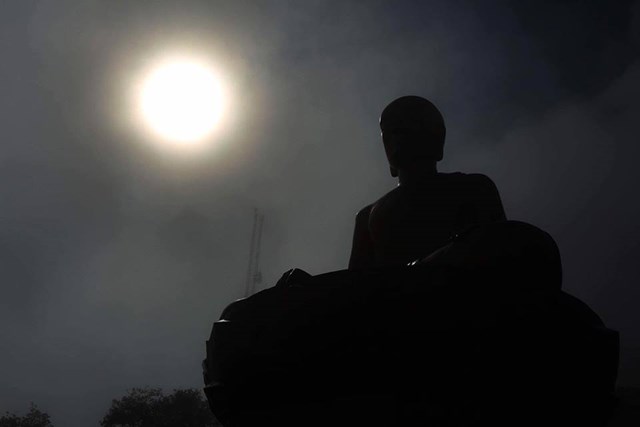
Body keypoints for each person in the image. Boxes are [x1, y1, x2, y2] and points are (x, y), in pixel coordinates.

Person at [349, 96, 506, 270]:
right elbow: (354, 281)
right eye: (389, 132)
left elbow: (500, 251)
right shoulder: (367, 217)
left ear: (436, 135)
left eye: (406, 126)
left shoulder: (473, 187)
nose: (396, 137)